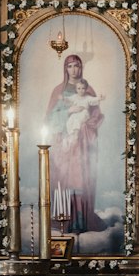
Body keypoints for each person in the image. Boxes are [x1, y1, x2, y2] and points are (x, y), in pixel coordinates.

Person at [46, 56, 103, 233]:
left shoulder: (89, 90)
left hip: (83, 142)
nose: (74, 70)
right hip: (63, 144)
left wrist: (86, 125)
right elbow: (49, 118)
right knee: (65, 179)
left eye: (77, 66)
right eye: (70, 66)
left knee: (81, 179)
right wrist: (68, 111)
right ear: (65, 68)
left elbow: (96, 116)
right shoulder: (58, 91)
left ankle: (82, 220)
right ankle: (64, 221)